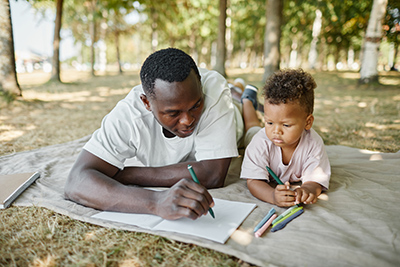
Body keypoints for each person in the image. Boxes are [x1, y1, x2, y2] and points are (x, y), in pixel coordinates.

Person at [64, 47, 261, 220]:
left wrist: (127, 175)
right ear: (147, 103)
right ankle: (238, 89)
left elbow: (212, 174)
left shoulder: (213, 89)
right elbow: (76, 181)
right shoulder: (128, 116)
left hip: (234, 117)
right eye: (173, 113)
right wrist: (155, 201)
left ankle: (243, 96)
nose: (188, 120)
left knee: (243, 106)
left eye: (196, 106)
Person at [240, 69, 331, 207]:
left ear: (307, 122)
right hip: (255, 135)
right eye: (269, 122)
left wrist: (307, 190)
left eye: (286, 125)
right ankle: (247, 99)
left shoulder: (313, 143)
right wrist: (272, 196)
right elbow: (253, 181)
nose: (276, 131)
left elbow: (316, 181)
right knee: (252, 127)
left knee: (258, 125)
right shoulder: (260, 142)